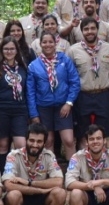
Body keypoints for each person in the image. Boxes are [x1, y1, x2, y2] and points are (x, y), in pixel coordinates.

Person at [2, 122, 68, 205]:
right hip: (21, 204)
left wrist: (29, 183)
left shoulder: (49, 156)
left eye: (39, 141)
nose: (35, 144)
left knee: (59, 193)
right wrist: (41, 189)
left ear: (44, 143)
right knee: (13, 194)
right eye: (32, 140)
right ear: (26, 140)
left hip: (41, 203)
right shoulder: (13, 156)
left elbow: (58, 181)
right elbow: (8, 184)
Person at [27, 32, 80, 161]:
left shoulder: (64, 60)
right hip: (44, 108)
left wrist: (69, 103)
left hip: (63, 106)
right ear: (40, 45)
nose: (47, 45)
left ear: (55, 43)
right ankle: (51, 172)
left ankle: (72, 173)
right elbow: (30, 92)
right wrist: (34, 115)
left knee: (68, 140)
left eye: (50, 42)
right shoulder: (34, 65)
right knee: (48, 141)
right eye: (44, 42)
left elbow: (75, 82)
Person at [69, 17, 109, 141]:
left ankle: (103, 160)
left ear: (97, 30)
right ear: (81, 31)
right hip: (82, 96)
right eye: (86, 29)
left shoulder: (108, 48)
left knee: (103, 133)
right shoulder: (73, 50)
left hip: (103, 95)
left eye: (92, 28)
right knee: (83, 134)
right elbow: (70, 75)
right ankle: (83, 160)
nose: (89, 31)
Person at [0, 36, 29, 169]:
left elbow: (26, 91)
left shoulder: (23, 68)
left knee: (21, 144)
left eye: (12, 49)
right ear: (1, 50)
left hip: (20, 110)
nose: (9, 51)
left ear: (17, 51)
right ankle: (1, 175)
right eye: (6, 49)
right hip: (0, 110)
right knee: (2, 144)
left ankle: (20, 173)